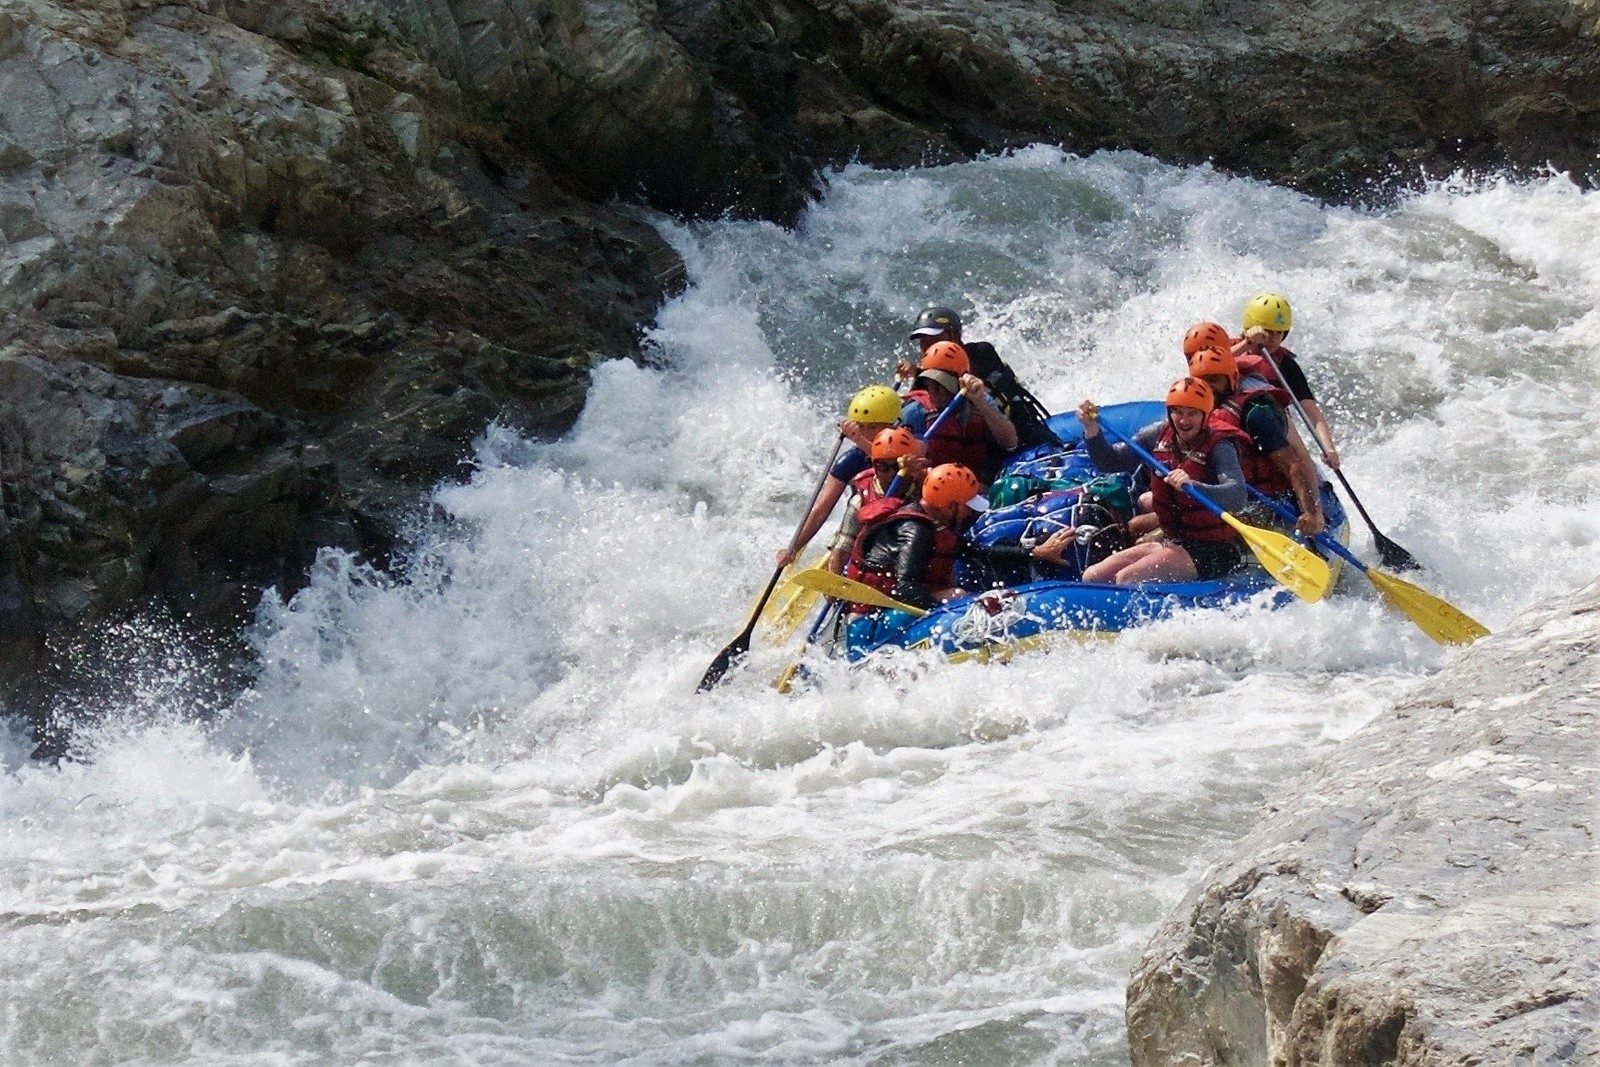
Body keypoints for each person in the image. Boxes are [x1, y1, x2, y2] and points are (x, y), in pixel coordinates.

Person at [1076, 378, 1251, 584]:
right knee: (1092, 577)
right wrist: (1091, 430)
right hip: (1173, 541)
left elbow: (1238, 496)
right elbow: (1111, 462)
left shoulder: (1220, 447)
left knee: (1127, 579)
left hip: (1214, 548)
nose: (1184, 420)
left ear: (1206, 415)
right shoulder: (1158, 435)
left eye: (1192, 413)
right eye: (1178, 412)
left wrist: (1193, 486)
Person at [1186, 346, 1325, 537]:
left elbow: (1292, 464)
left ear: (1233, 379)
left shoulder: (1256, 413)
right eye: (1201, 382)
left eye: (1214, 381)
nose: (1207, 389)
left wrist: (1310, 512)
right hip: (1222, 493)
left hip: (1269, 500)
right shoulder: (1192, 411)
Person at [776, 384, 903, 570]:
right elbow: (821, 510)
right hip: (865, 520)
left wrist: (859, 439)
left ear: (893, 425)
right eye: (861, 426)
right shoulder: (852, 460)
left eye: (873, 427)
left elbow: (893, 460)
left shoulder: (912, 444)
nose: (865, 433)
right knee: (836, 558)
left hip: (902, 518)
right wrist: (793, 547)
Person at [843, 463, 988, 614]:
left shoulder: (934, 524)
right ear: (951, 507)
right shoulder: (916, 531)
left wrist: (1014, 555)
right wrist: (947, 612)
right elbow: (906, 589)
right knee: (958, 595)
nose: (970, 513)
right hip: (873, 617)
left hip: (898, 605)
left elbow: (977, 553)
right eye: (967, 507)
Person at [906, 306, 1059, 447]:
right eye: (923, 342)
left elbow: (998, 393)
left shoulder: (981, 353)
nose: (928, 347)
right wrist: (918, 375)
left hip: (1018, 429)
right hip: (975, 441)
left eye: (933, 339)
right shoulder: (928, 372)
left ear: (953, 334)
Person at [1233, 293, 1343, 471]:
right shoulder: (1231, 350)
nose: (1274, 339)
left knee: (1305, 465)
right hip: (1233, 420)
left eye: (1279, 333)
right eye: (1267, 333)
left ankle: (1312, 493)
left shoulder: (1286, 365)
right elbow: (1208, 367)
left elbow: (1313, 413)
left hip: (1273, 427)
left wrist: (1329, 448)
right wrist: (1247, 343)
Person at [899, 341, 1019, 484]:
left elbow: (1010, 442)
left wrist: (980, 402)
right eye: (933, 383)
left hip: (977, 483)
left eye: (944, 384)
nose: (939, 390)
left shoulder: (980, 399)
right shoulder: (915, 411)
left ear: (960, 382)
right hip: (934, 484)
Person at [826, 426, 927, 573]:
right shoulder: (860, 501)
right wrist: (833, 589)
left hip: (910, 574)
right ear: (873, 464)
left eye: (897, 466)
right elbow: (841, 551)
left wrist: (921, 476)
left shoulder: (924, 490)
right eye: (883, 466)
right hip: (870, 571)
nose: (891, 474)